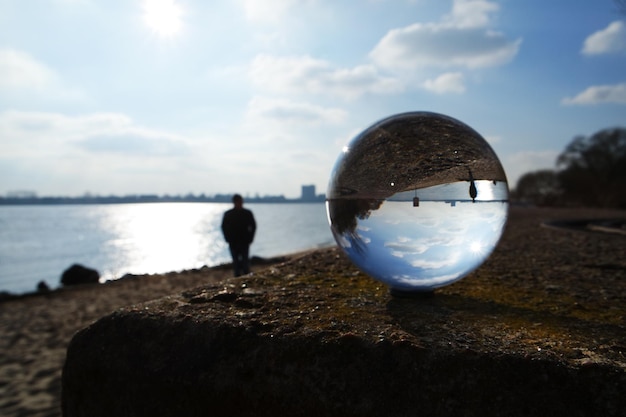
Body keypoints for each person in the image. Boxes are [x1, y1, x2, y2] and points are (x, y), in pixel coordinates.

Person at [221, 194, 256, 277]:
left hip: (244, 241)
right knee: (236, 264)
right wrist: (227, 238)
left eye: (241, 201)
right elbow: (224, 227)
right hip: (233, 242)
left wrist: (251, 238)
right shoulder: (228, 214)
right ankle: (238, 280)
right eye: (238, 202)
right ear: (234, 202)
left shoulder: (247, 213)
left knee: (245, 264)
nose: (240, 203)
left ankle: (246, 279)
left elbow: (253, 226)